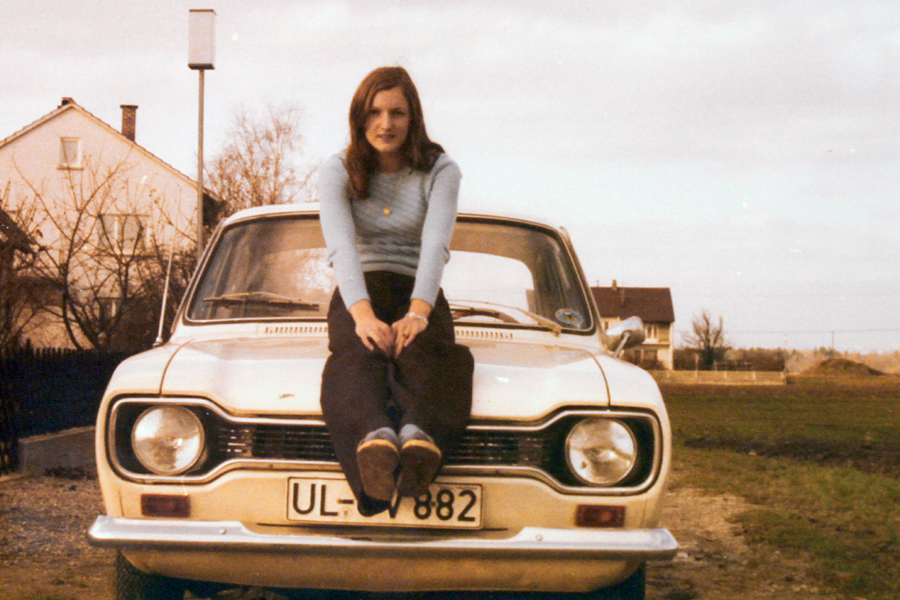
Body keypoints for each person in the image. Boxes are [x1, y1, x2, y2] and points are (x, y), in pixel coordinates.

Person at [318, 66, 474, 516]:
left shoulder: (441, 170)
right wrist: (363, 316)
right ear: (359, 117)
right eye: (375, 112)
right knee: (355, 356)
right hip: (359, 290)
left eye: (397, 113)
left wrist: (419, 312)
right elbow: (341, 246)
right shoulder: (337, 169)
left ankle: (419, 439)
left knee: (432, 355)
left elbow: (435, 244)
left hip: (418, 290)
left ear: (414, 117)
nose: (385, 124)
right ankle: (375, 445)